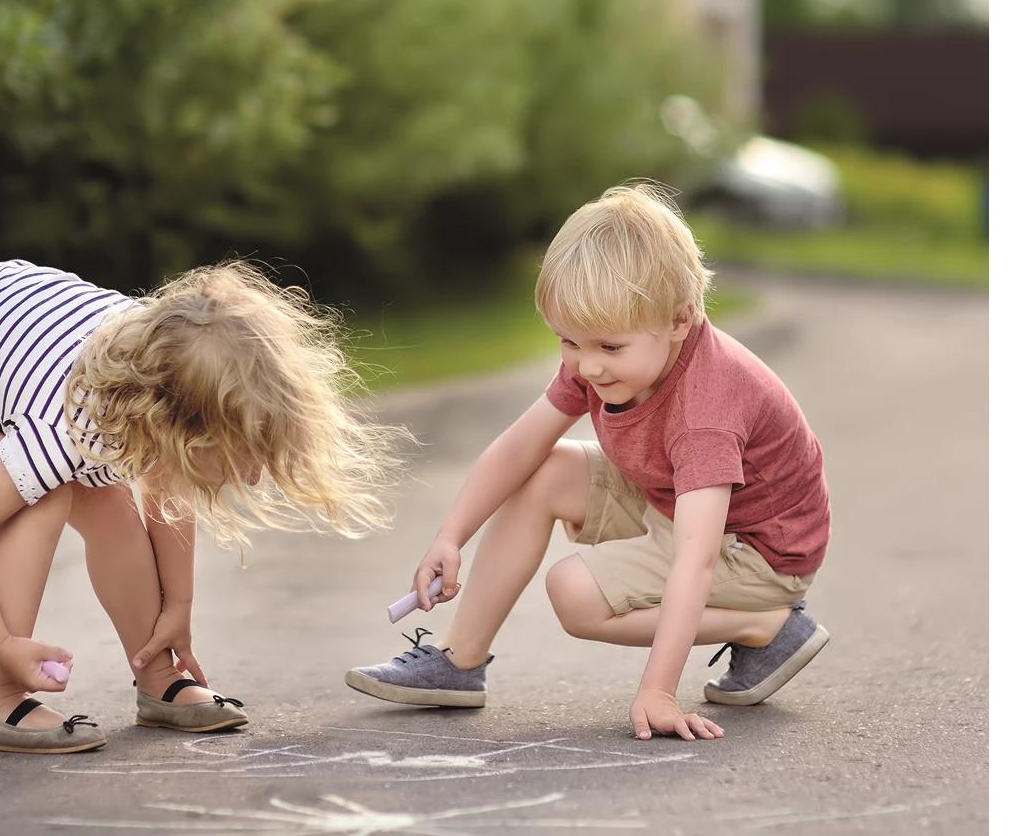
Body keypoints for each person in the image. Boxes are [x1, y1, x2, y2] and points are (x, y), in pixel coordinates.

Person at [345, 183, 832, 741]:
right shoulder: (608, 354)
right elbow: (518, 447)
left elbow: (695, 560)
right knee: (545, 468)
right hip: (673, 496)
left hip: (757, 552)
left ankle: (765, 625)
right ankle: (458, 662)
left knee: (575, 593)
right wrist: (450, 536)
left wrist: (658, 691)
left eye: (607, 348)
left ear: (679, 319)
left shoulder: (706, 411)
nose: (587, 367)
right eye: (567, 342)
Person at [0, 258, 400, 752]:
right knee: (43, 497)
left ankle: (158, 676)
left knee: (112, 509)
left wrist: (178, 611)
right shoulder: (68, 427)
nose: (255, 473)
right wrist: (2, 644)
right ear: (181, 431)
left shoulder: (166, 375)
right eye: (245, 456)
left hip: (9, 338)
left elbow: (169, 486)